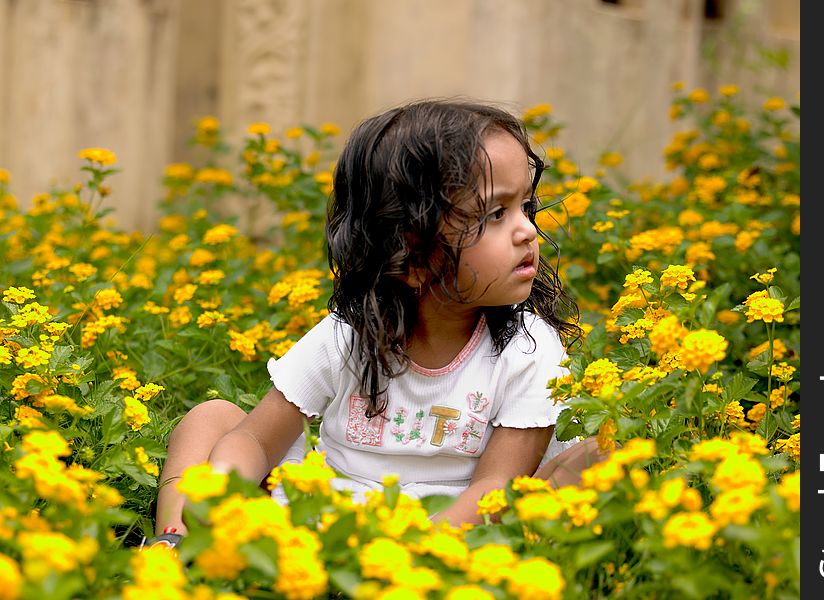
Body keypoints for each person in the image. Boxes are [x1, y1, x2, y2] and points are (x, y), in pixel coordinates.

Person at [146, 99, 603, 548]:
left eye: (526, 206)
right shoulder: (349, 333)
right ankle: (176, 541)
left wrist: (403, 549)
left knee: (598, 456)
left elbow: (497, 488)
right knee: (212, 420)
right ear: (411, 256)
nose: (527, 230)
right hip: (331, 509)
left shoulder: (527, 349)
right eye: (495, 214)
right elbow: (255, 438)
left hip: (458, 527)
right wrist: (223, 490)